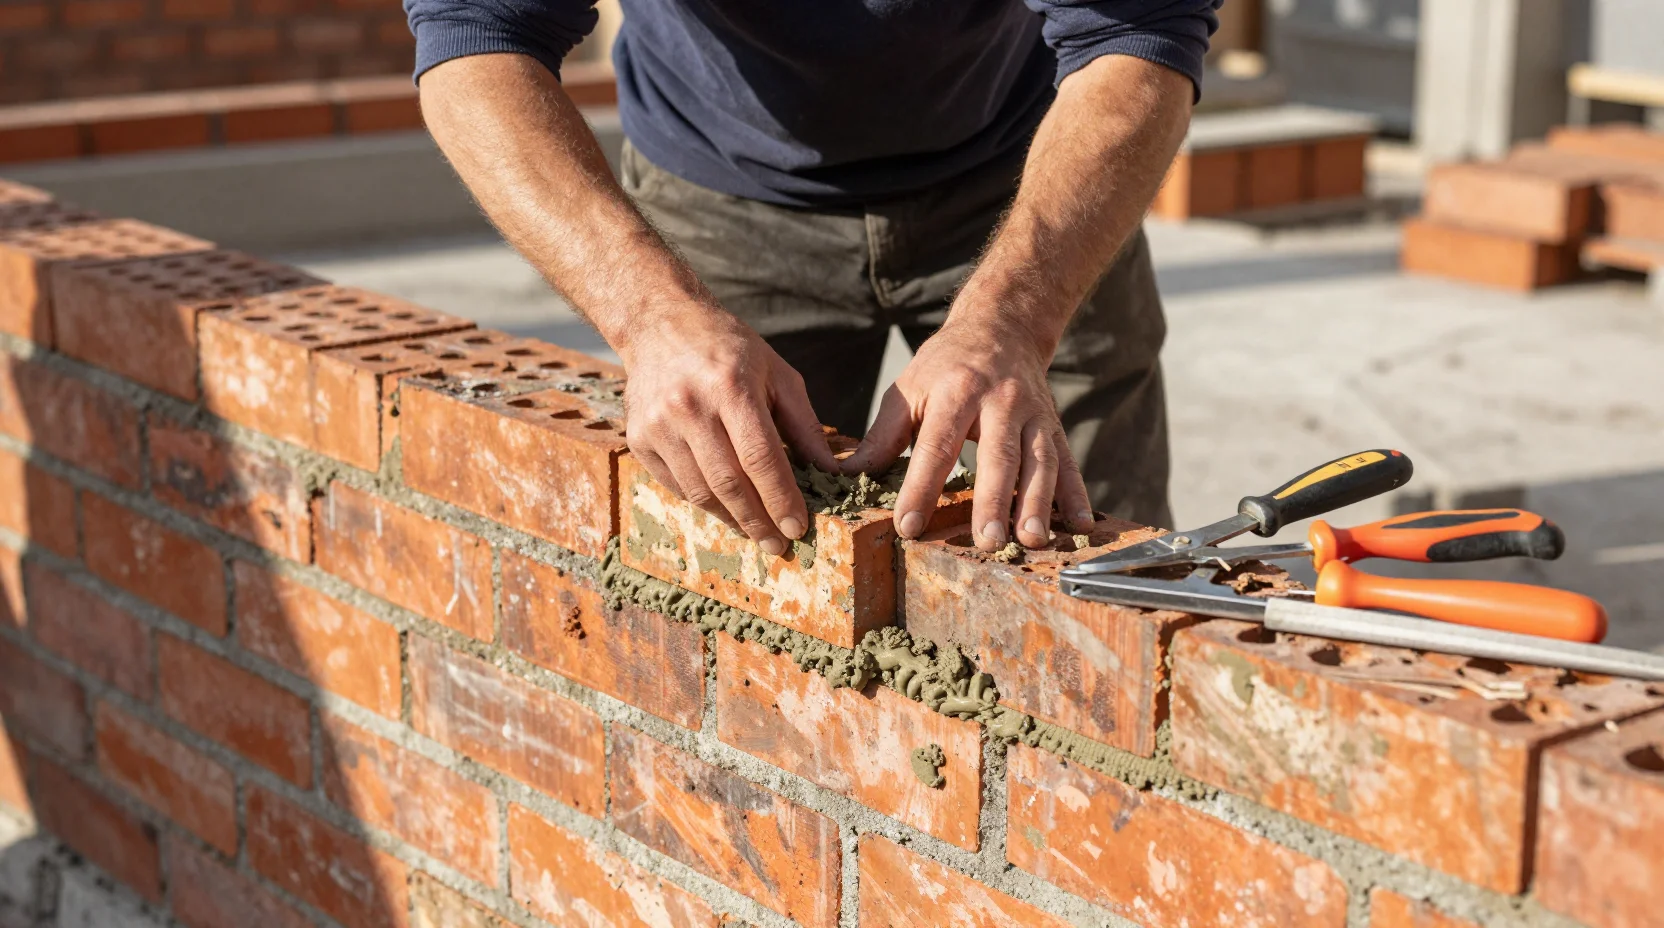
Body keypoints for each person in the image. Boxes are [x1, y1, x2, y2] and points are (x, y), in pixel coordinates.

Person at [406, 0, 1219, 557]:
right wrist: (650, 315)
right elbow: (476, 35)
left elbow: (1138, 33)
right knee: (752, 566)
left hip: (1031, 182)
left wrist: (1015, 319)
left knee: (1093, 558)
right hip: (722, 192)